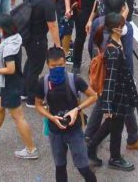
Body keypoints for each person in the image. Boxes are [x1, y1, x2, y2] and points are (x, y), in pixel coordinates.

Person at [0, 13, 40, 160]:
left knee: (18, 117)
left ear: (3, 29)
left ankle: (31, 149)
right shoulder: (14, 39)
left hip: (10, 85)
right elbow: (4, 51)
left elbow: (10, 69)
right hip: (12, 83)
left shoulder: (8, 48)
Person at [34, 46, 99, 182]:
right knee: (60, 167)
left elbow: (93, 96)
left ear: (65, 63)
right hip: (55, 131)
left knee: (83, 168)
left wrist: (77, 109)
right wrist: (51, 117)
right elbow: (38, 105)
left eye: (61, 65)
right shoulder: (43, 83)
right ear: (48, 64)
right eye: (54, 66)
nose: (57, 68)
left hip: (74, 131)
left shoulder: (74, 80)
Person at [85, 12, 138, 172]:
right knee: (113, 126)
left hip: (120, 94)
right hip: (116, 96)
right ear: (116, 29)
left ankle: (104, 152)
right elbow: (110, 80)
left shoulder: (114, 44)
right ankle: (111, 156)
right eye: (123, 25)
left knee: (114, 126)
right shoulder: (113, 51)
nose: (126, 28)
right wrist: (107, 106)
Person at [22, 0, 60, 106]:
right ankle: (32, 98)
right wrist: (58, 45)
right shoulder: (47, 2)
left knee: (30, 63)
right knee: (35, 68)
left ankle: (23, 91)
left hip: (26, 34)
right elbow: (52, 25)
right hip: (38, 38)